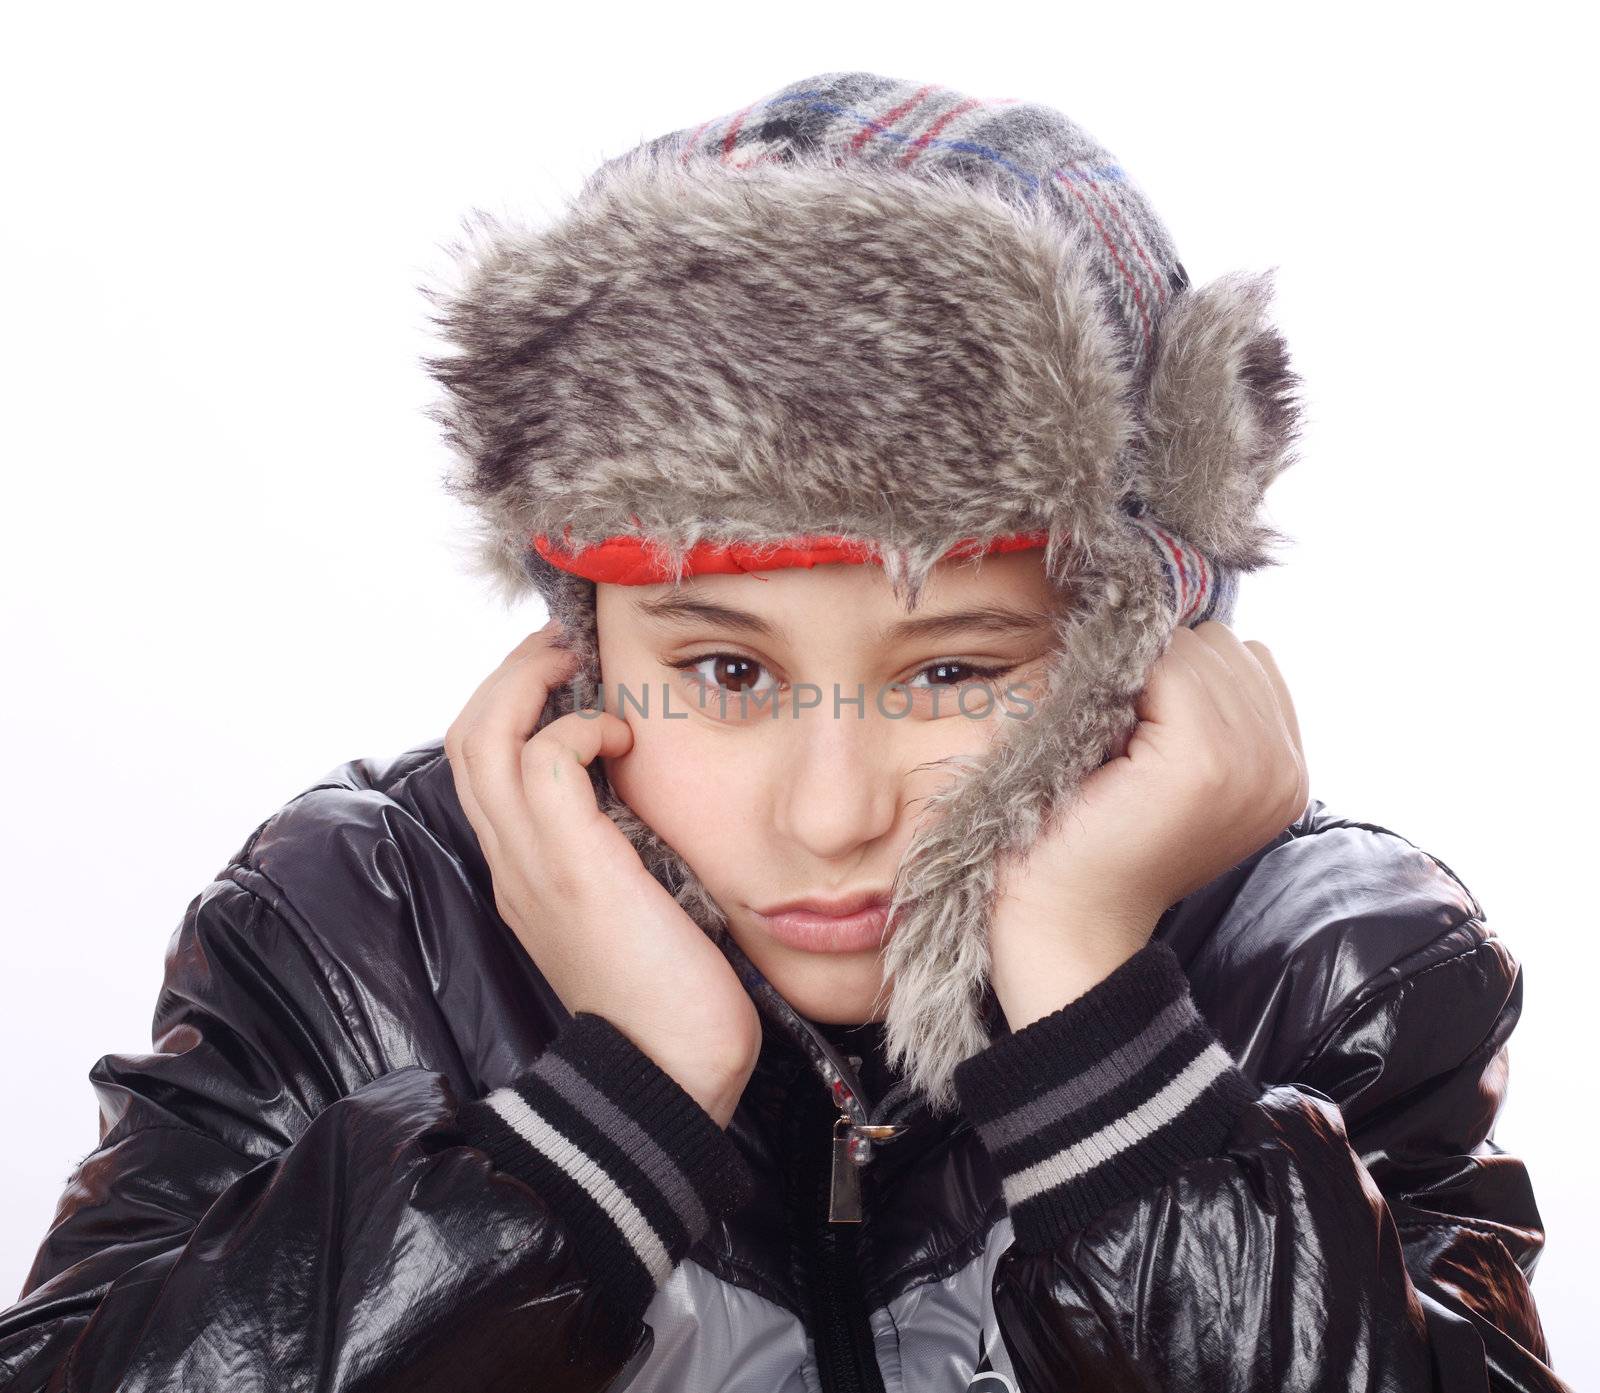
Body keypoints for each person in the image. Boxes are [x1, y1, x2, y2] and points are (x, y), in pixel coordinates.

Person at [0, 71, 1569, 1393]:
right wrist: (602, 1127)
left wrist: (1111, 1046)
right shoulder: (365, 932)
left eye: (954, 672)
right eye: (727, 676)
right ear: (582, 650)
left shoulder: (1327, 965)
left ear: (1141, 650)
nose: (831, 816)